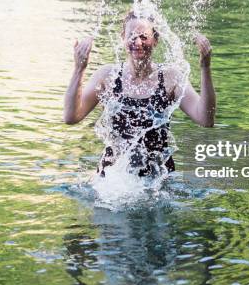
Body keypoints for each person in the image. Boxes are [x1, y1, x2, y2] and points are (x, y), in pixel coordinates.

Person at [64, 11, 216, 177]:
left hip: (158, 180)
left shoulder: (170, 78)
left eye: (144, 37)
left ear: (155, 40)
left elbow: (205, 119)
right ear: (123, 37)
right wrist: (79, 69)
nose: (137, 42)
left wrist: (205, 68)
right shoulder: (107, 76)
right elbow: (71, 117)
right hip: (113, 179)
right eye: (132, 36)